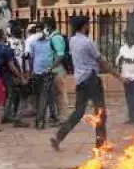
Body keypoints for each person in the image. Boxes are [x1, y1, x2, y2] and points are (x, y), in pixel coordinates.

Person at [50, 15, 122, 151]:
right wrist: (119, 77)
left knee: (78, 112)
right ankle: (101, 144)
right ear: (84, 26)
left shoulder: (72, 41)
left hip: (80, 80)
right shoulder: (88, 42)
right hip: (92, 79)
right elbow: (103, 63)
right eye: (88, 25)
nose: (89, 27)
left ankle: (59, 136)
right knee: (100, 111)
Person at [0, 29, 28, 128]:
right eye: (5, 34)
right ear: (2, 36)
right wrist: (21, 76)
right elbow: (12, 66)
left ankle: (6, 115)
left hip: (2, 75)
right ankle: (18, 119)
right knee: (24, 96)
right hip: (11, 76)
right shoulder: (6, 49)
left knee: (11, 95)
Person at [28, 26, 56, 129]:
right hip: (46, 72)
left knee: (40, 96)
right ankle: (41, 120)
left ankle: (40, 120)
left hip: (38, 72)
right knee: (44, 96)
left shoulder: (34, 44)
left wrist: (31, 71)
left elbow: (31, 59)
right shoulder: (50, 43)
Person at [46, 17, 68, 122]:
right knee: (56, 94)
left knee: (60, 93)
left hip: (57, 69)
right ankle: (58, 116)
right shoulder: (52, 37)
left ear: (48, 26)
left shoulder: (55, 38)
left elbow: (60, 55)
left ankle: (63, 117)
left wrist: (52, 66)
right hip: (54, 69)